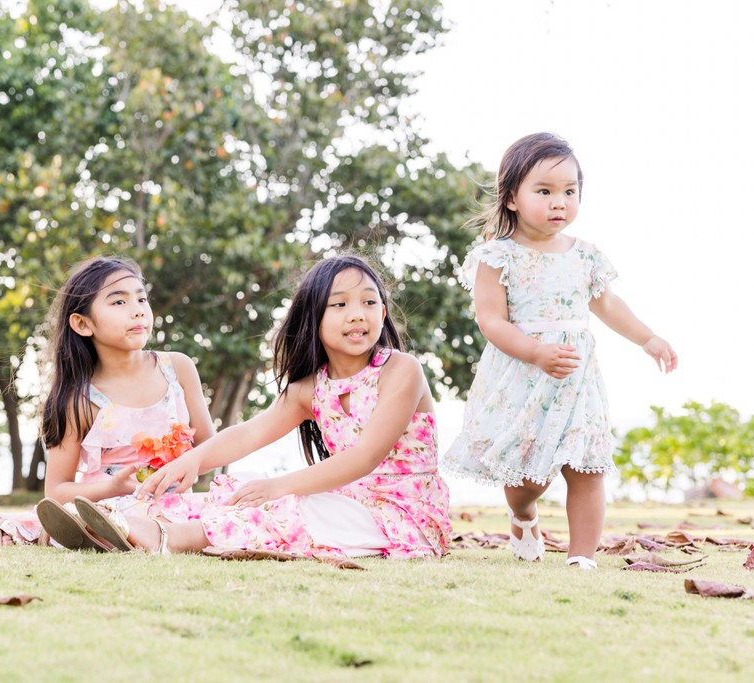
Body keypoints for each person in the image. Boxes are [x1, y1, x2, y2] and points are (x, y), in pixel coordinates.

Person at [74, 255, 452, 560]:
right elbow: (248, 433)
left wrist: (279, 487)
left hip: (402, 515)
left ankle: (165, 537)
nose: (357, 314)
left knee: (282, 507)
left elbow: (364, 457)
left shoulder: (402, 371)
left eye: (370, 302)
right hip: (346, 503)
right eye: (340, 305)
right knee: (234, 493)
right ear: (313, 319)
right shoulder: (309, 389)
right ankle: (116, 523)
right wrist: (190, 461)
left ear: (383, 315)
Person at [440, 132, 678, 569]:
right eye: (545, 191)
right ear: (512, 197)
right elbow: (491, 320)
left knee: (587, 466)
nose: (559, 202)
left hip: (575, 377)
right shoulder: (498, 256)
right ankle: (523, 514)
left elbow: (606, 304)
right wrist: (534, 352)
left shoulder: (585, 256)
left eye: (570, 192)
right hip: (522, 375)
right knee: (527, 478)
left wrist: (648, 338)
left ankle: (581, 557)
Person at [33, 256, 215, 551]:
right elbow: (55, 490)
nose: (138, 312)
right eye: (119, 302)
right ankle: (105, 529)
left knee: (238, 505)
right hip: (109, 504)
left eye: (142, 299)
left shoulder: (178, 368)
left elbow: (211, 446)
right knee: (106, 516)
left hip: (176, 506)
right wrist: (110, 488)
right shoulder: (80, 399)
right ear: (83, 323)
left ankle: (124, 534)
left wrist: (190, 466)